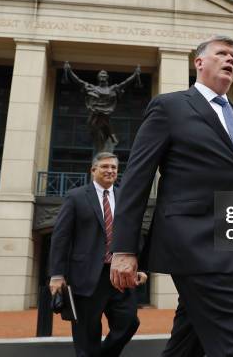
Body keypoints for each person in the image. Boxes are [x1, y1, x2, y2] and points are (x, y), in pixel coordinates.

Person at [109, 35, 233, 357]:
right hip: (192, 244)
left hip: (229, 246)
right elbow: (136, 179)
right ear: (199, 62)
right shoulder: (169, 107)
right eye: (222, 53)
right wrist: (124, 248)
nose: (230, 59)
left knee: (187, 345)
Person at [49, 152, 147, 357]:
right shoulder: (75, 196)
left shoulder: (125, 197)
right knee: (87, 335)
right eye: (104, 167)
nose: (110, 170)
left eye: (113, 167)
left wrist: (141, 266)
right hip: (86, 276)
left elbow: (134, 233)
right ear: (93, 170)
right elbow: (60, 238)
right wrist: (57, 275)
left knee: (129, 322)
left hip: (119, 275)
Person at [63, 62, 141, 152]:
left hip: (105, 118)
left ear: (107, 77)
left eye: (104, 75)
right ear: (98, 77)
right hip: (94, 118)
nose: (102, 77)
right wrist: (69, 71)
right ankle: (102, 150)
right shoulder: (92, 88)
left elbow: (125, 83)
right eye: (101, 75)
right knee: (98, 136)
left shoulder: (112, 89)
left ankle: (107, 145)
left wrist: (135, 75)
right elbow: (78, 81)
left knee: (107, 138)